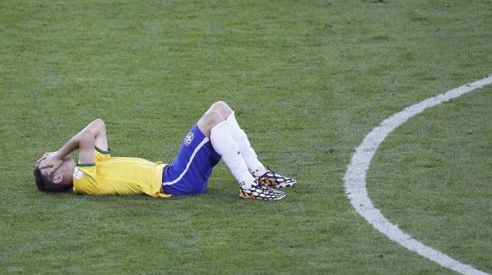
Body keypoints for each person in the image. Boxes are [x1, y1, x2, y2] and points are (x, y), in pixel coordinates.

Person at [34, 101, 296, 200]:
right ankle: (248, 185)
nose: (54, 157)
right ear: (57, 178)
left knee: (220, 109)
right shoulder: (82, 182)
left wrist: (57, 157)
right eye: (50, 164)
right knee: (212, 120)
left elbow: (98, 125)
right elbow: (84, 137)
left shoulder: (90, 167)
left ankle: (259, 173)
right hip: (174, 181)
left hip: (174, 175)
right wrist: (58, 152)